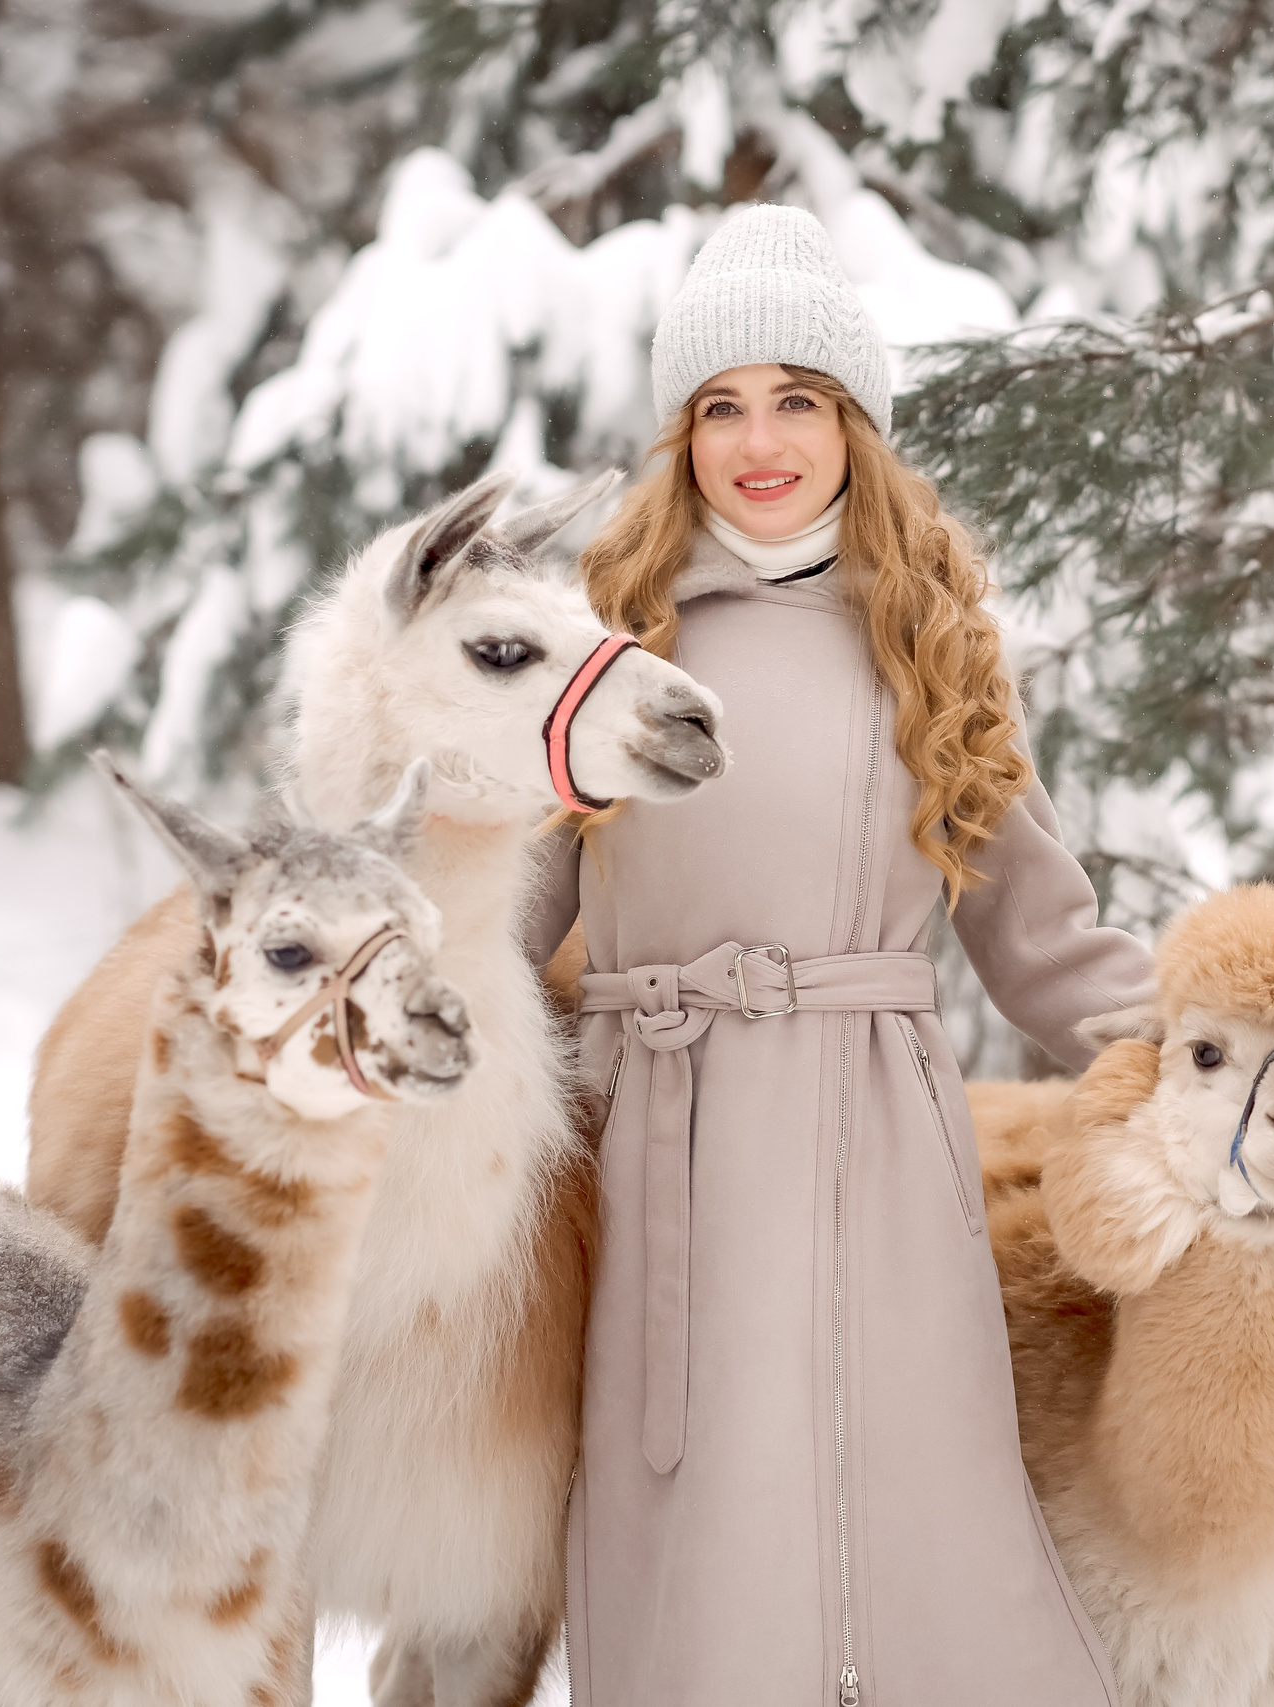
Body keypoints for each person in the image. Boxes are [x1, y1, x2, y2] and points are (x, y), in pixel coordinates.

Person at [525, 203, 1155, 1707]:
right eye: (722, 406)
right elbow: (501, 922)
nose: (761, 442)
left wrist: (1210, 1058)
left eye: (797, 399)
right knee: (704, 1544)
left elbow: (1041, 934)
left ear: (852, 422)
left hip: (878, 1144)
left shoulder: (926, 641)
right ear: (680, 433)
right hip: (664, 1152)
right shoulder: (607, 644)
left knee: (911, 1512)